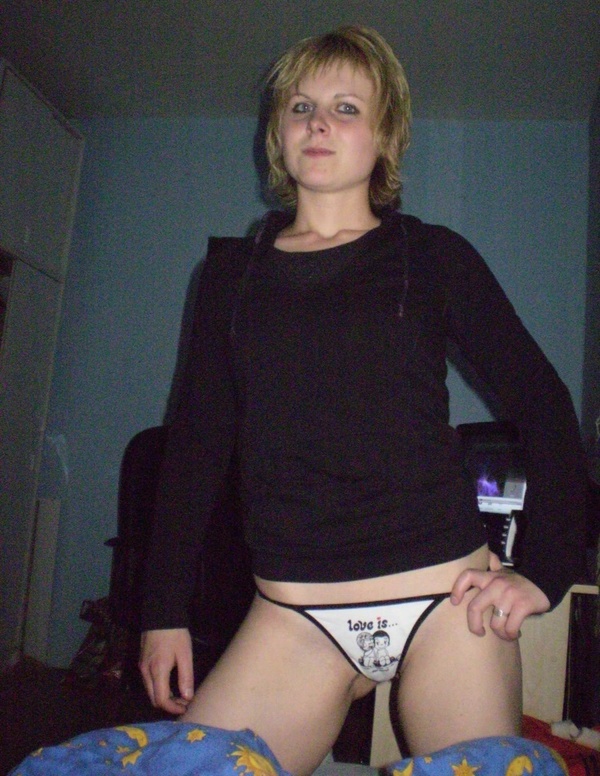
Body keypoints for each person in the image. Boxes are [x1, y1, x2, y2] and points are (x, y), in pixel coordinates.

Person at [139, 25, 586, 776]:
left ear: (385, 138)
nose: (318, 122)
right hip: (293, 615)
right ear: (278, 135)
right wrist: (162, 610)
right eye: (301, 107)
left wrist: (545, 567)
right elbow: (196, 447)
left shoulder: (433, 257)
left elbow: (543, 403)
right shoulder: (229, 278)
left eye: (346, 107)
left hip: (444, 601)